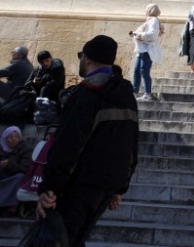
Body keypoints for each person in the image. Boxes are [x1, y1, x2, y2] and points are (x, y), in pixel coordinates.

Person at [37, 35, 139, 247]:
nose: (80, 60)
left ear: (88, 59)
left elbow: (68, 143)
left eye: (81, 56)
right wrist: (120, 186)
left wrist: (50, 187)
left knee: (60, 240)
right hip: (106, 187)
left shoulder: (88, 93)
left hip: (78, 186)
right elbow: (131, 144)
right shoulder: (126, 94)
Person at [130, 4, 164, 100]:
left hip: (147, 50)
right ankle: (134, 92)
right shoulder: (149, 21)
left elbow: (152, 35)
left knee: (144, 71)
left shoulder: (153, 20)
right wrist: (134, 34)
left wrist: (139, 36)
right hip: (141, 50)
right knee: (136, 71)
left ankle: (147, 93)